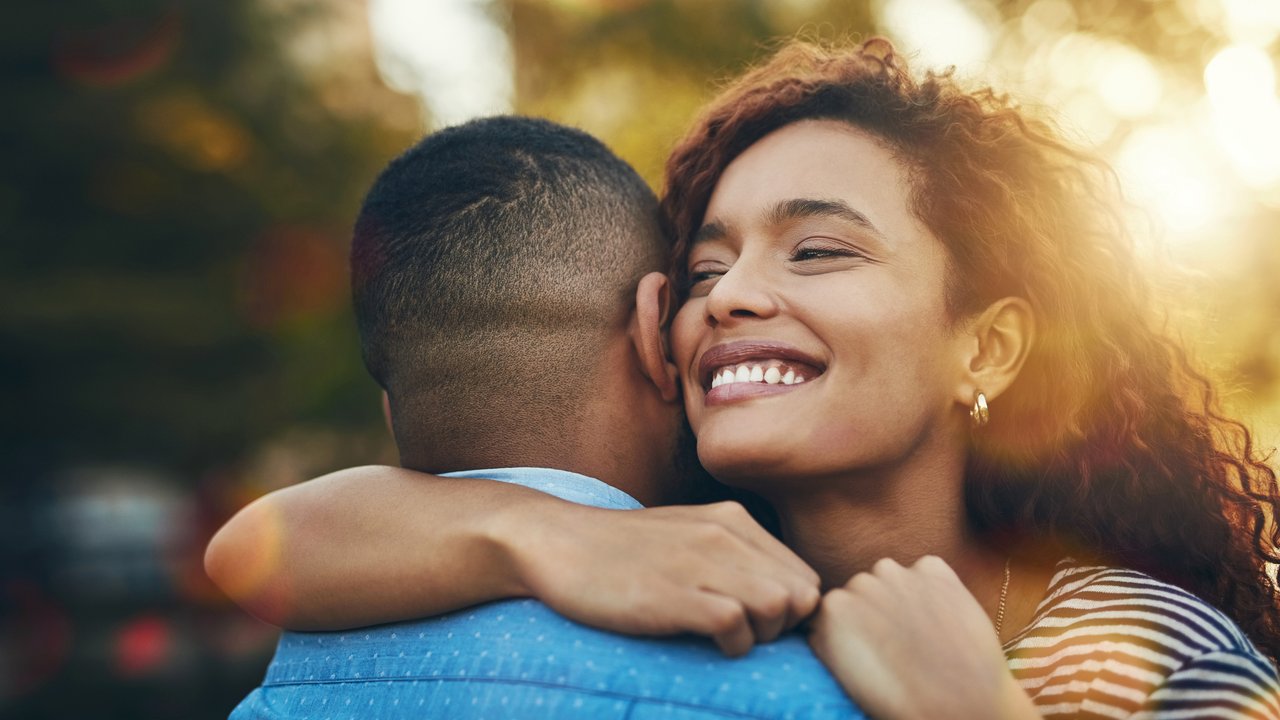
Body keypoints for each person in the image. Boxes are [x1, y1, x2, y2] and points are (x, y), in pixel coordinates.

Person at [212, 39, 1280, 718]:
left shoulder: (1133, 646)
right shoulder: (675, 565)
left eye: (815, 250)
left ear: (984, 348)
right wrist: (550, 535)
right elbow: (268, 545)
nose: (727, 298)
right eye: (703, 269)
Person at [212, 115, 861, 719]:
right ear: (652, 331)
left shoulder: (283, 687)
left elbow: (242, 549)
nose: (731, 304)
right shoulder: (799, 688)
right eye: (706, 273)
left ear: (390, 410)